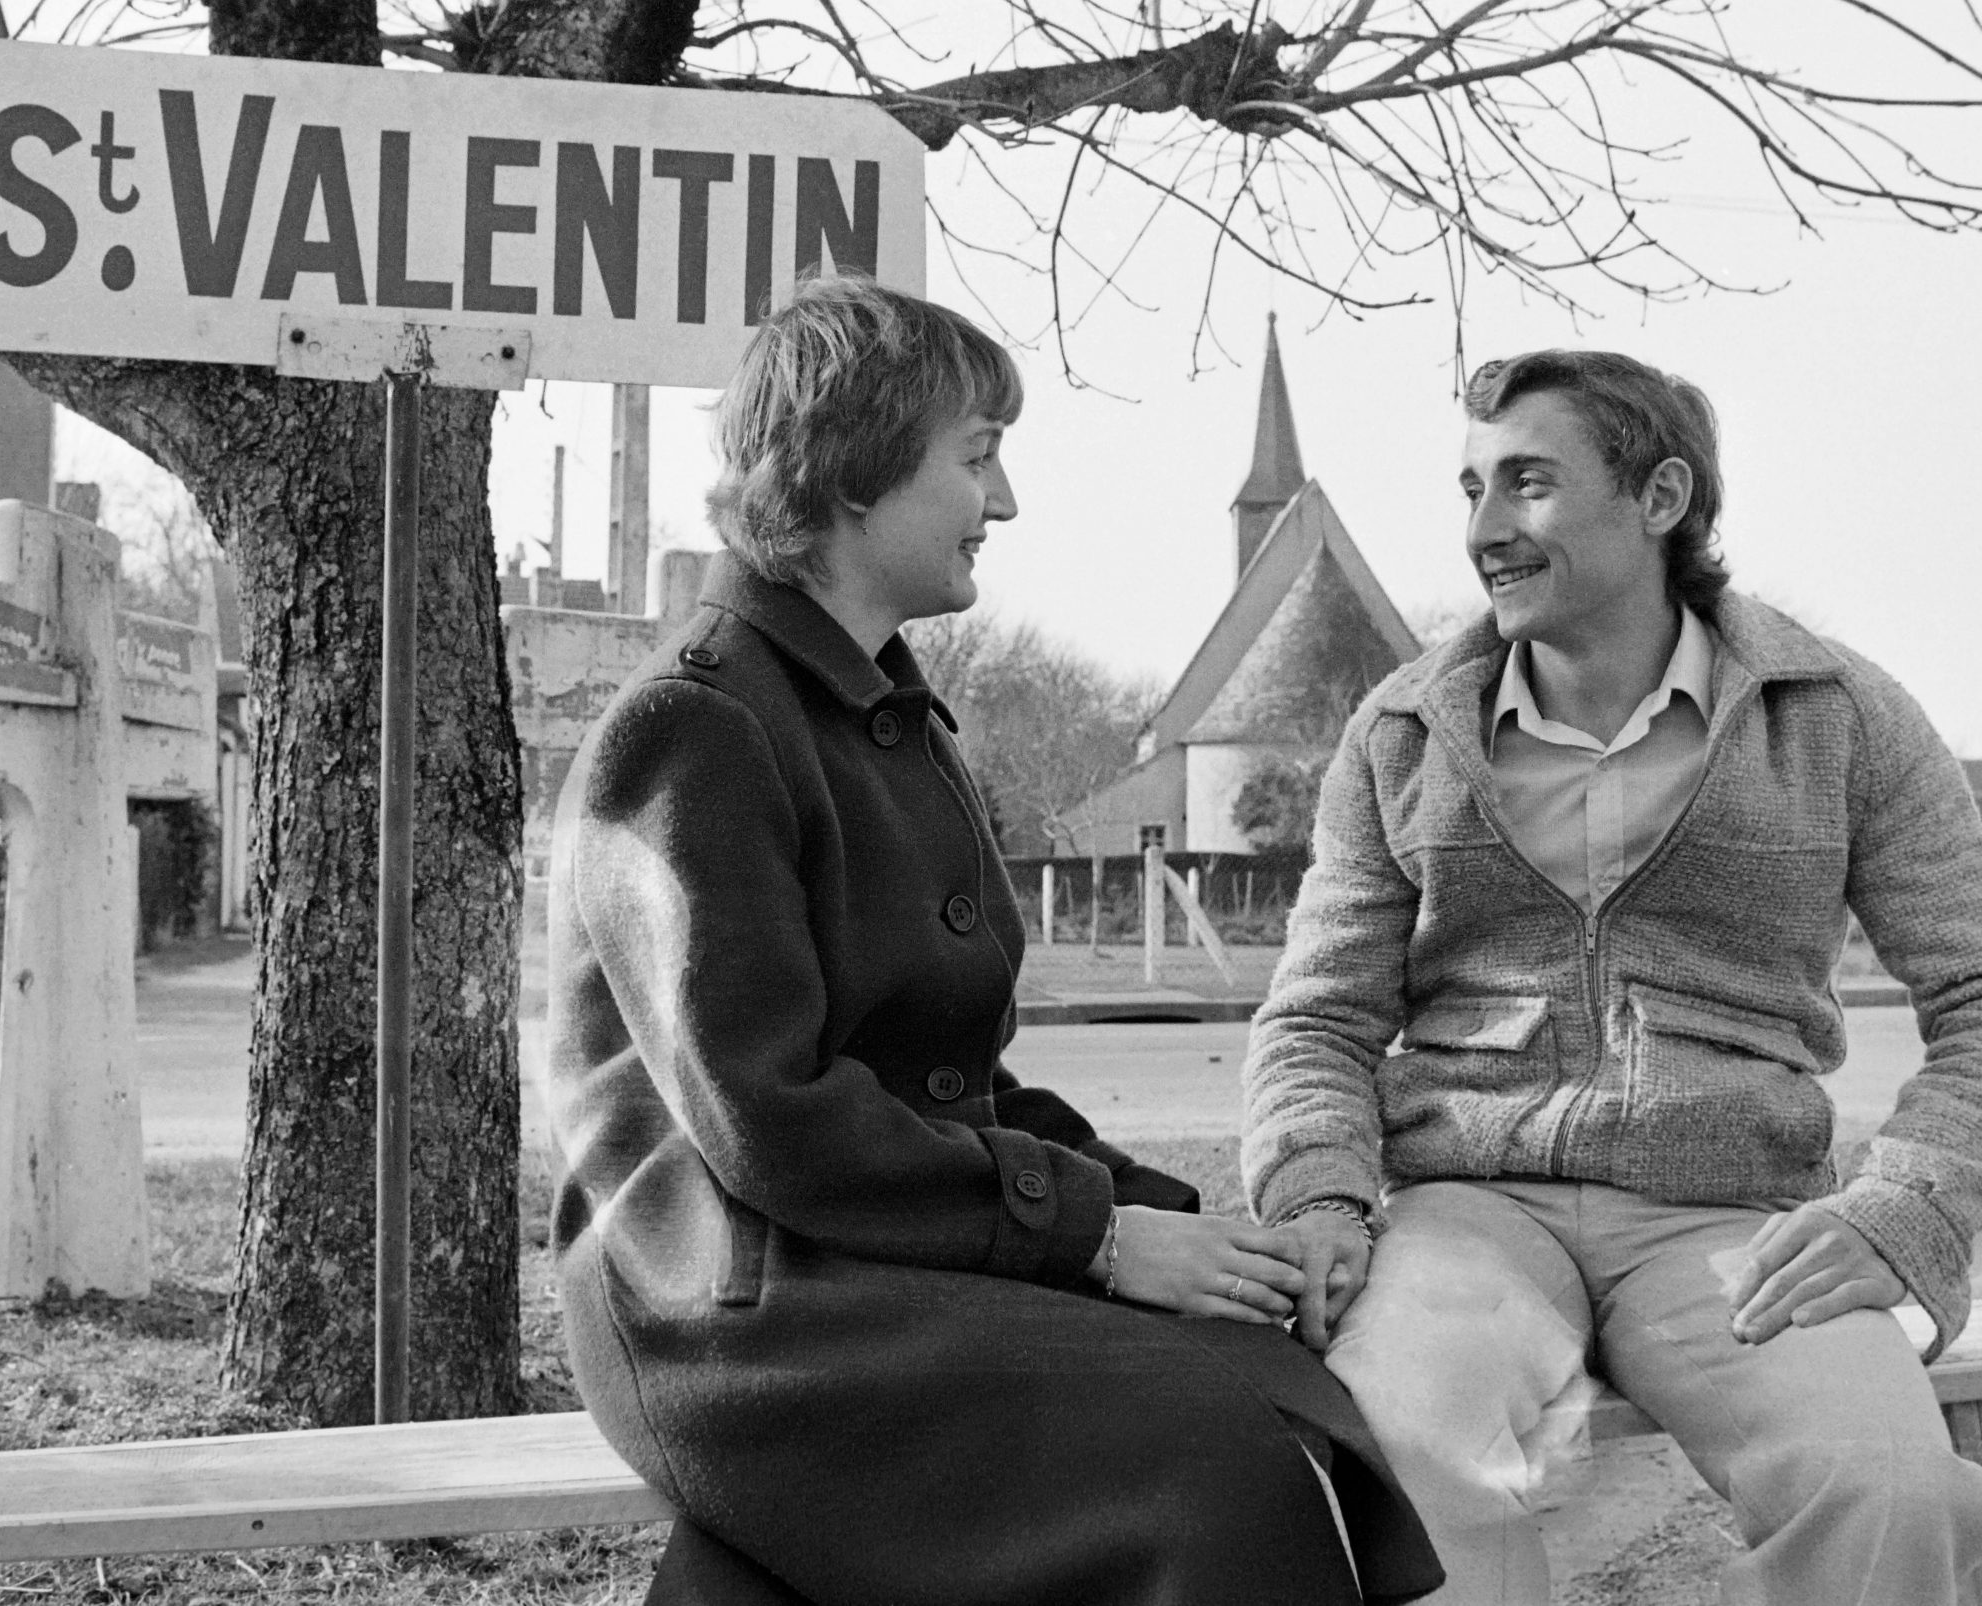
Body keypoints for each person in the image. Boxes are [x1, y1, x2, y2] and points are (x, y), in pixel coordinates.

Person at [546, 275, 1440, 1606]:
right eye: (976, 457)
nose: (1004, 501)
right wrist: (1096, 1239)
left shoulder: (888, 722)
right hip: (736, 1303)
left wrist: (1178, 1224)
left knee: (1278, 1369)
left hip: (871, 1257)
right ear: (854, 473)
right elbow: (767, 1119)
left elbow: (955, 1086)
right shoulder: (696, 729)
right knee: (1219, 1456)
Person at [1242, 349, 1982, 1606]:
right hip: (1466, 1215)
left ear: (1660, 497)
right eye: (1471, 488)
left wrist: (1906, 1208)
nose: (1483, 529)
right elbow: (1317, 1017)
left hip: (1734, 1217)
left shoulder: (1837, 716)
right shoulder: (1403, 733)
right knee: (1398, 1454)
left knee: (1890, 1490)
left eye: (1527, 484)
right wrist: (1317, 1194)